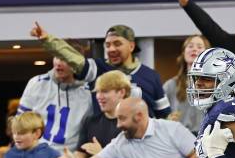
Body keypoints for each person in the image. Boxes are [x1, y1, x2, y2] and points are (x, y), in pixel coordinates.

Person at [23, 97, 196, 158]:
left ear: (139, 116)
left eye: (122, 119)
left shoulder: (171, 129)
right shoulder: (120, 143)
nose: (118, 125)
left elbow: (198, 154)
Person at [31, 22, 171, 119]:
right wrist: (49, 40)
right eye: (108, 45)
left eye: (117, 44)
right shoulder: (98, 68)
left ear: (131, 46)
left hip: (144, 146)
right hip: (106, 144)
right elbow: (74, 58)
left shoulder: (151, 76)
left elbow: (165, 116)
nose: (111, 49)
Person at [18, 46, 93, 152]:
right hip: (35, 157)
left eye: (64, 58)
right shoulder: (36, 83)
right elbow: (20, 124)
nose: (58, 63)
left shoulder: (89, 92)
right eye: (57, 57)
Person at [164, 34, 210, 133]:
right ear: (184, 52)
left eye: (199, 47)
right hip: (177, 140)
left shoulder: (216, 85)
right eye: (190, 46)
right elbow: (160, 117)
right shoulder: (171, 85)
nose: (194, 49)